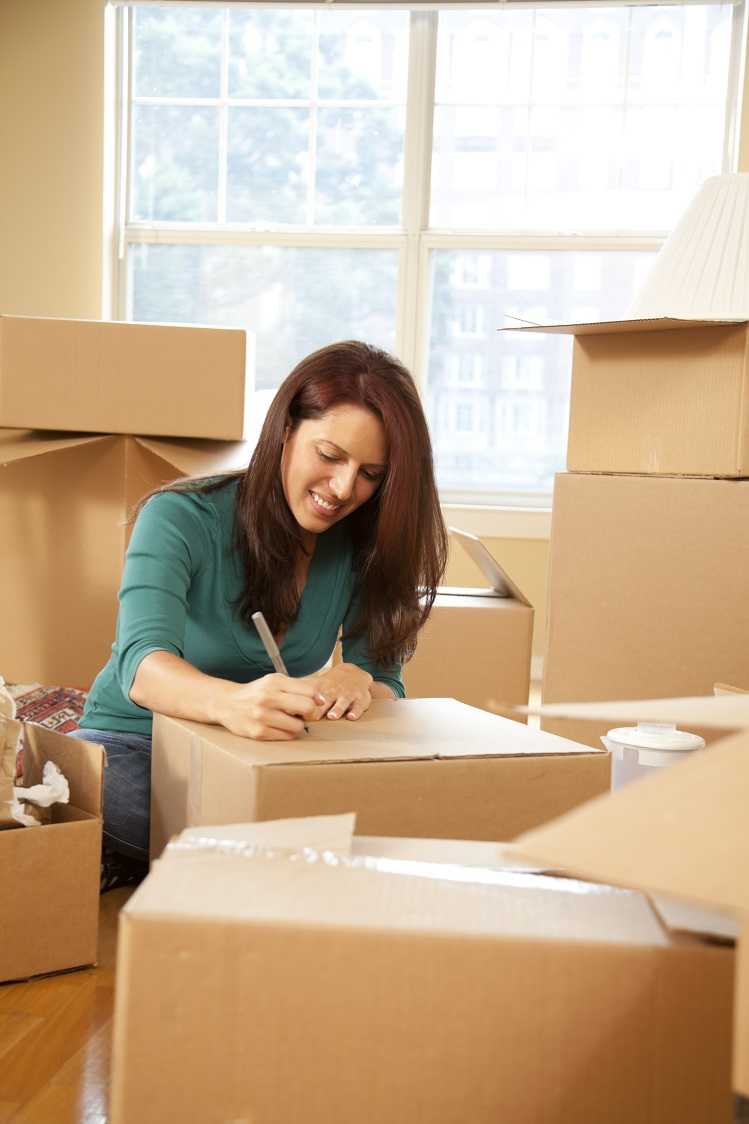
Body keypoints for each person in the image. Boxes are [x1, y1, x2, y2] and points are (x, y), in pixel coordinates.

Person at [70, 340, 448, 888]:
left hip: (268, 757)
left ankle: (191, 861)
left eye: (370, 474)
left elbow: (387, 681)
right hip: (140, 742)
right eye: (330, 455)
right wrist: (230, 704)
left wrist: (356, 679)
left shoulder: (366, 543)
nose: (343, 489)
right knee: (110, 791)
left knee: (384, 818)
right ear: (286, 430)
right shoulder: (179, 516)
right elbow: (142, 666)